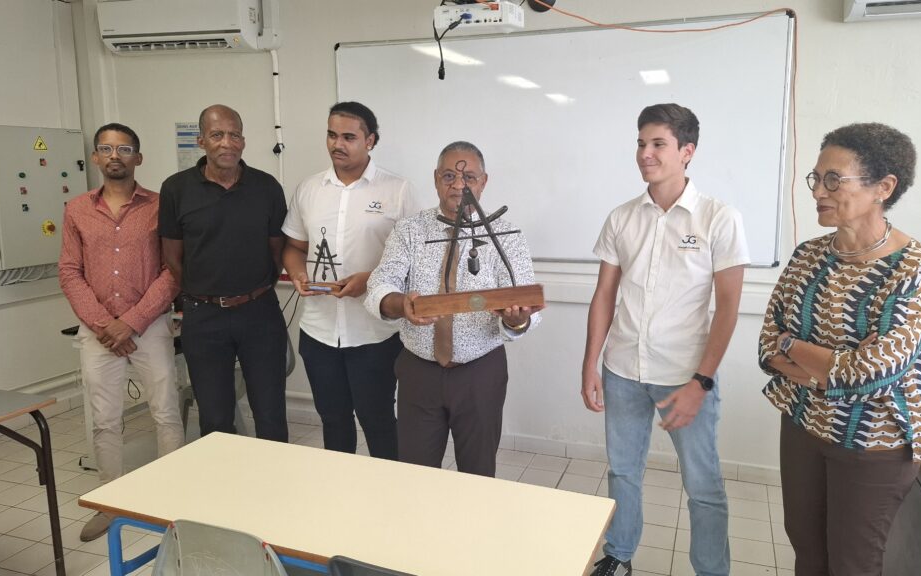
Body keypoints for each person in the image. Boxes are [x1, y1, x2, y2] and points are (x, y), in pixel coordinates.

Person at [758, 123, 921, 576]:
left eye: (833, 180)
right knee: (807, 551)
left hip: (874, 441)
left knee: (852, 564)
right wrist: (821, 364)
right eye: (816, 178)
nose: (818, 191)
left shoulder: (913, 269)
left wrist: (795, 347)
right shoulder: (808, 257)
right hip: (803, 423)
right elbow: (767, 345)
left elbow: (871, 375)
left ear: (883, 187)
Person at [582, 104, 749, 576]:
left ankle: (711, 571)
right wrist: (590, 363)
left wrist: (702, 382)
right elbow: (604, 295)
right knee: (623, 472)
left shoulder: (718, 218)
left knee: (703, 486)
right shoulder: (622, 217)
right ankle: (619, 555)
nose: (645, 154)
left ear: (687, 151)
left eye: (658, 144)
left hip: (684, 376)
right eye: (641, 143)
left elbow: (728, 308)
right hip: (622, 369)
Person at [365, 141, 542, 477]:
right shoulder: (409, 230)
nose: (459, 185)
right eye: (449, 176)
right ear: (436, 178)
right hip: (419, 372)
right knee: (416, 475)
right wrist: (401, 304)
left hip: (480, 373)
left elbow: (526, 307)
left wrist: (516, 320)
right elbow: (379, 285)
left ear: (484, 182)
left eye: (469, 177)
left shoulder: (507, 235)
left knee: (478, 475)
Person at [58, 123, 183, 542]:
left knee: (166, 412)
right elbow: (69, 271)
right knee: (104, 419)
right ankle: (109, 503)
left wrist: (131, 321)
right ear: (95, 157)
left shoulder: (161, 206)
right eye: (107, 149)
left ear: (138, 158)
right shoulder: (77, 209)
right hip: (98, 332)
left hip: (149, 325)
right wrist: (103, 324)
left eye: (125, 149)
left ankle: (172, 503)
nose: (115, 156)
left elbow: (172, 271)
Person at [282, 102, 417, 459]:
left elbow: (416, 261)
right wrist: (297, 272)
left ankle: (387, 489)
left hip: (374, 334)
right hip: (319, 331)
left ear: (370, 140)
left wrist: (370, 281)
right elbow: (294, 247)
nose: (337, 144)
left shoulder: (397, 190)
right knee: (333, 421)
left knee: (378, 421)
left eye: (348, 137)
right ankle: (339, 489)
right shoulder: (309, 188)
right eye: (331, 135)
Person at [158, 104, 289, 442]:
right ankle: (224, 477)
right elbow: (172, 256)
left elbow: (278, 252)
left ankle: (277, 477)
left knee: (271, 414)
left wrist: (252, 291)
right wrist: (205, 292)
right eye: (217, 135)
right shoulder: (175, 189)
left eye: (234, 135)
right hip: (204, 317)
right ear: (201, 141)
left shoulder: (267, 187)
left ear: (243, 141)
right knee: (215, 420)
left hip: (259, 313)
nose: (227, 143)